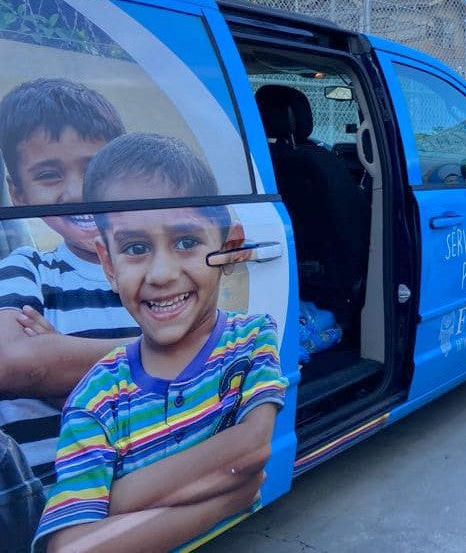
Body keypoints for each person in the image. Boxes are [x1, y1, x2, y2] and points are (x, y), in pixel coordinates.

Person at [33, 133, 288, 552]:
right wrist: (230, 496)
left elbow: (249, 451)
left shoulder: (250, 339)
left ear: (230, 248)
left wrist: (108, 504)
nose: (163, 273)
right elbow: (70, 547)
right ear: (108, 264)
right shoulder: (97, 398)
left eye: (186, 242)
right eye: (135, 248)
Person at [0, 78, 136, 513]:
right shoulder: (27, 268)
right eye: (48, 175)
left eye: (95, 169)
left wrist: (57, 362)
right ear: (18, 193)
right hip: (44, 499)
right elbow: (12, 363)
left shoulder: (155, 274)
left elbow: (194, 384)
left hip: (137, 484)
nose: (78, 192)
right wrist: (161, 354)